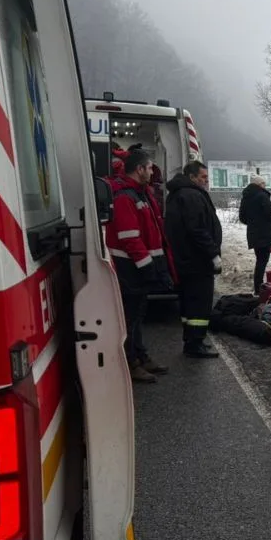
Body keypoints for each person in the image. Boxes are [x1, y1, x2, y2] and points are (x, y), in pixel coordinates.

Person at [106, 147, 172, 382]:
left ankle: (140, 356)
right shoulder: (125, 197)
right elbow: (129, 238)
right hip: (129, 268)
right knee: (130, 318)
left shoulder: (139, 194)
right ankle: (130, 362)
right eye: (150, 168)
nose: (153, 172)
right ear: (139, 169)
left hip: (139, 266)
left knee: (138, 315)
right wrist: (146, 266)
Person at [165, 161, 223, 358]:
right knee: (199, 302)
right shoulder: (191, 196)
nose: (206, 181)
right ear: (192, 177)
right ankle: (195, 342)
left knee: (188, 302)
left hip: (185, 259)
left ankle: (191, 338)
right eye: (203, 177)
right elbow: (197, 229)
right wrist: (213, 253)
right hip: (198, 261)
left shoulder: (178, 194)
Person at [239, 175, 271, 295]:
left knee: (260, 260)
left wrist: (253, 223)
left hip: (253, 234)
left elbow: (242, 217)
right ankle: (261, 289)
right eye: (263, 183)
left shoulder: (246, 197)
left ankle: (258, 288)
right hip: (266, 233)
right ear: (259, 184)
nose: (265, 186)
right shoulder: (262, 196)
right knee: (265, 260)